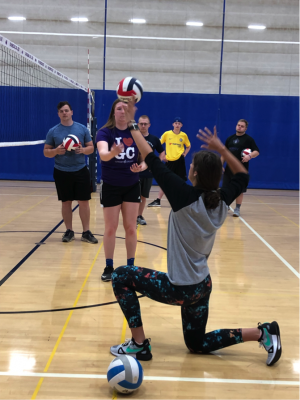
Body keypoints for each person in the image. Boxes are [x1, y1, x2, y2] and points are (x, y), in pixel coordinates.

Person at [109, 99, 281, 367]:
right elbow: (243, 176)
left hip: (179, 288)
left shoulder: (184, 195)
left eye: (191, 166)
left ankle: (140, 344)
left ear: (195, 173)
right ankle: (262, 332)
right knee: (196, 344)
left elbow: (152, 159)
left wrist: (131, 124)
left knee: (120, 276)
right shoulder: (222, 200)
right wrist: (222, 148)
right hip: (202, 286)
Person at [96, 99, 146, 282]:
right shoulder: (104, 132)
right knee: (110, 228)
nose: (123, 111)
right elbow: (103, 155)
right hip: (111, 186)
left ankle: (130, 267)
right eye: (119, 108)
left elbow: (146, 156)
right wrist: (112, 153)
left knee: (131, 228)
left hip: (132, 185)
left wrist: (142, 166)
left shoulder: (135, 133)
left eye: (126, 108)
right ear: (113, 112)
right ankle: (109, 266)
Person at [44, 101, 98, 244]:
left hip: (80, 170)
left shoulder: (81, 129)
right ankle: (69, 231)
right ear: (58, 114)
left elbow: (91, 148)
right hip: (61, 171)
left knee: (84, 202)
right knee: (66, 202)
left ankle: (86, 232)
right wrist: (56, 151)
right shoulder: (53, 131)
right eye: (61, 111)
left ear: (72, 112)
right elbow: (46, 152)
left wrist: (83, 150)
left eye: (67, 110)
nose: (64, 113)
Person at [147, 117, 191, 207]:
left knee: (181, 180)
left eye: (179, 123)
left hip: (179, 160)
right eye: (176, 123)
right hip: (169, 160)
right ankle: (158, 200)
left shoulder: (184, 135)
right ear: (173, 124)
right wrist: (163, 156)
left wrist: (185, 154)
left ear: (181, 125)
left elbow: (188, 146)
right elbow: (158, 144)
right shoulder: (167, 134)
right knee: (165, 180)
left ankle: (181, 200)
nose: (177, 125)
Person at [221, 119, 260, 217]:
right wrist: (220, 165)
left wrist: (249, 156)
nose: (239, 127)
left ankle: (237, 208)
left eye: (242, 126)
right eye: (238, 125)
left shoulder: (249, 140)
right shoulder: (230, 139)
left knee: (239, 189)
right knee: (225, 189)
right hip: (229, 169)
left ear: (245, 128)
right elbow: (224, 153)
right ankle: (225, 206)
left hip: (241, 170)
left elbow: (257, 151)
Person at [136, 115, 165, 225]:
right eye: (141, 124)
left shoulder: (154, 139)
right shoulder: (133, 137)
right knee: (134, 196)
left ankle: (139, 216)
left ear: (149, 125)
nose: (143, 126)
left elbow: (162, 152)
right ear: (138, 124)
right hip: (134, 172)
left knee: (143, 196)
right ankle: (132, 217)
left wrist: (156, 164)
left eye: (145, 124)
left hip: (147, 173)